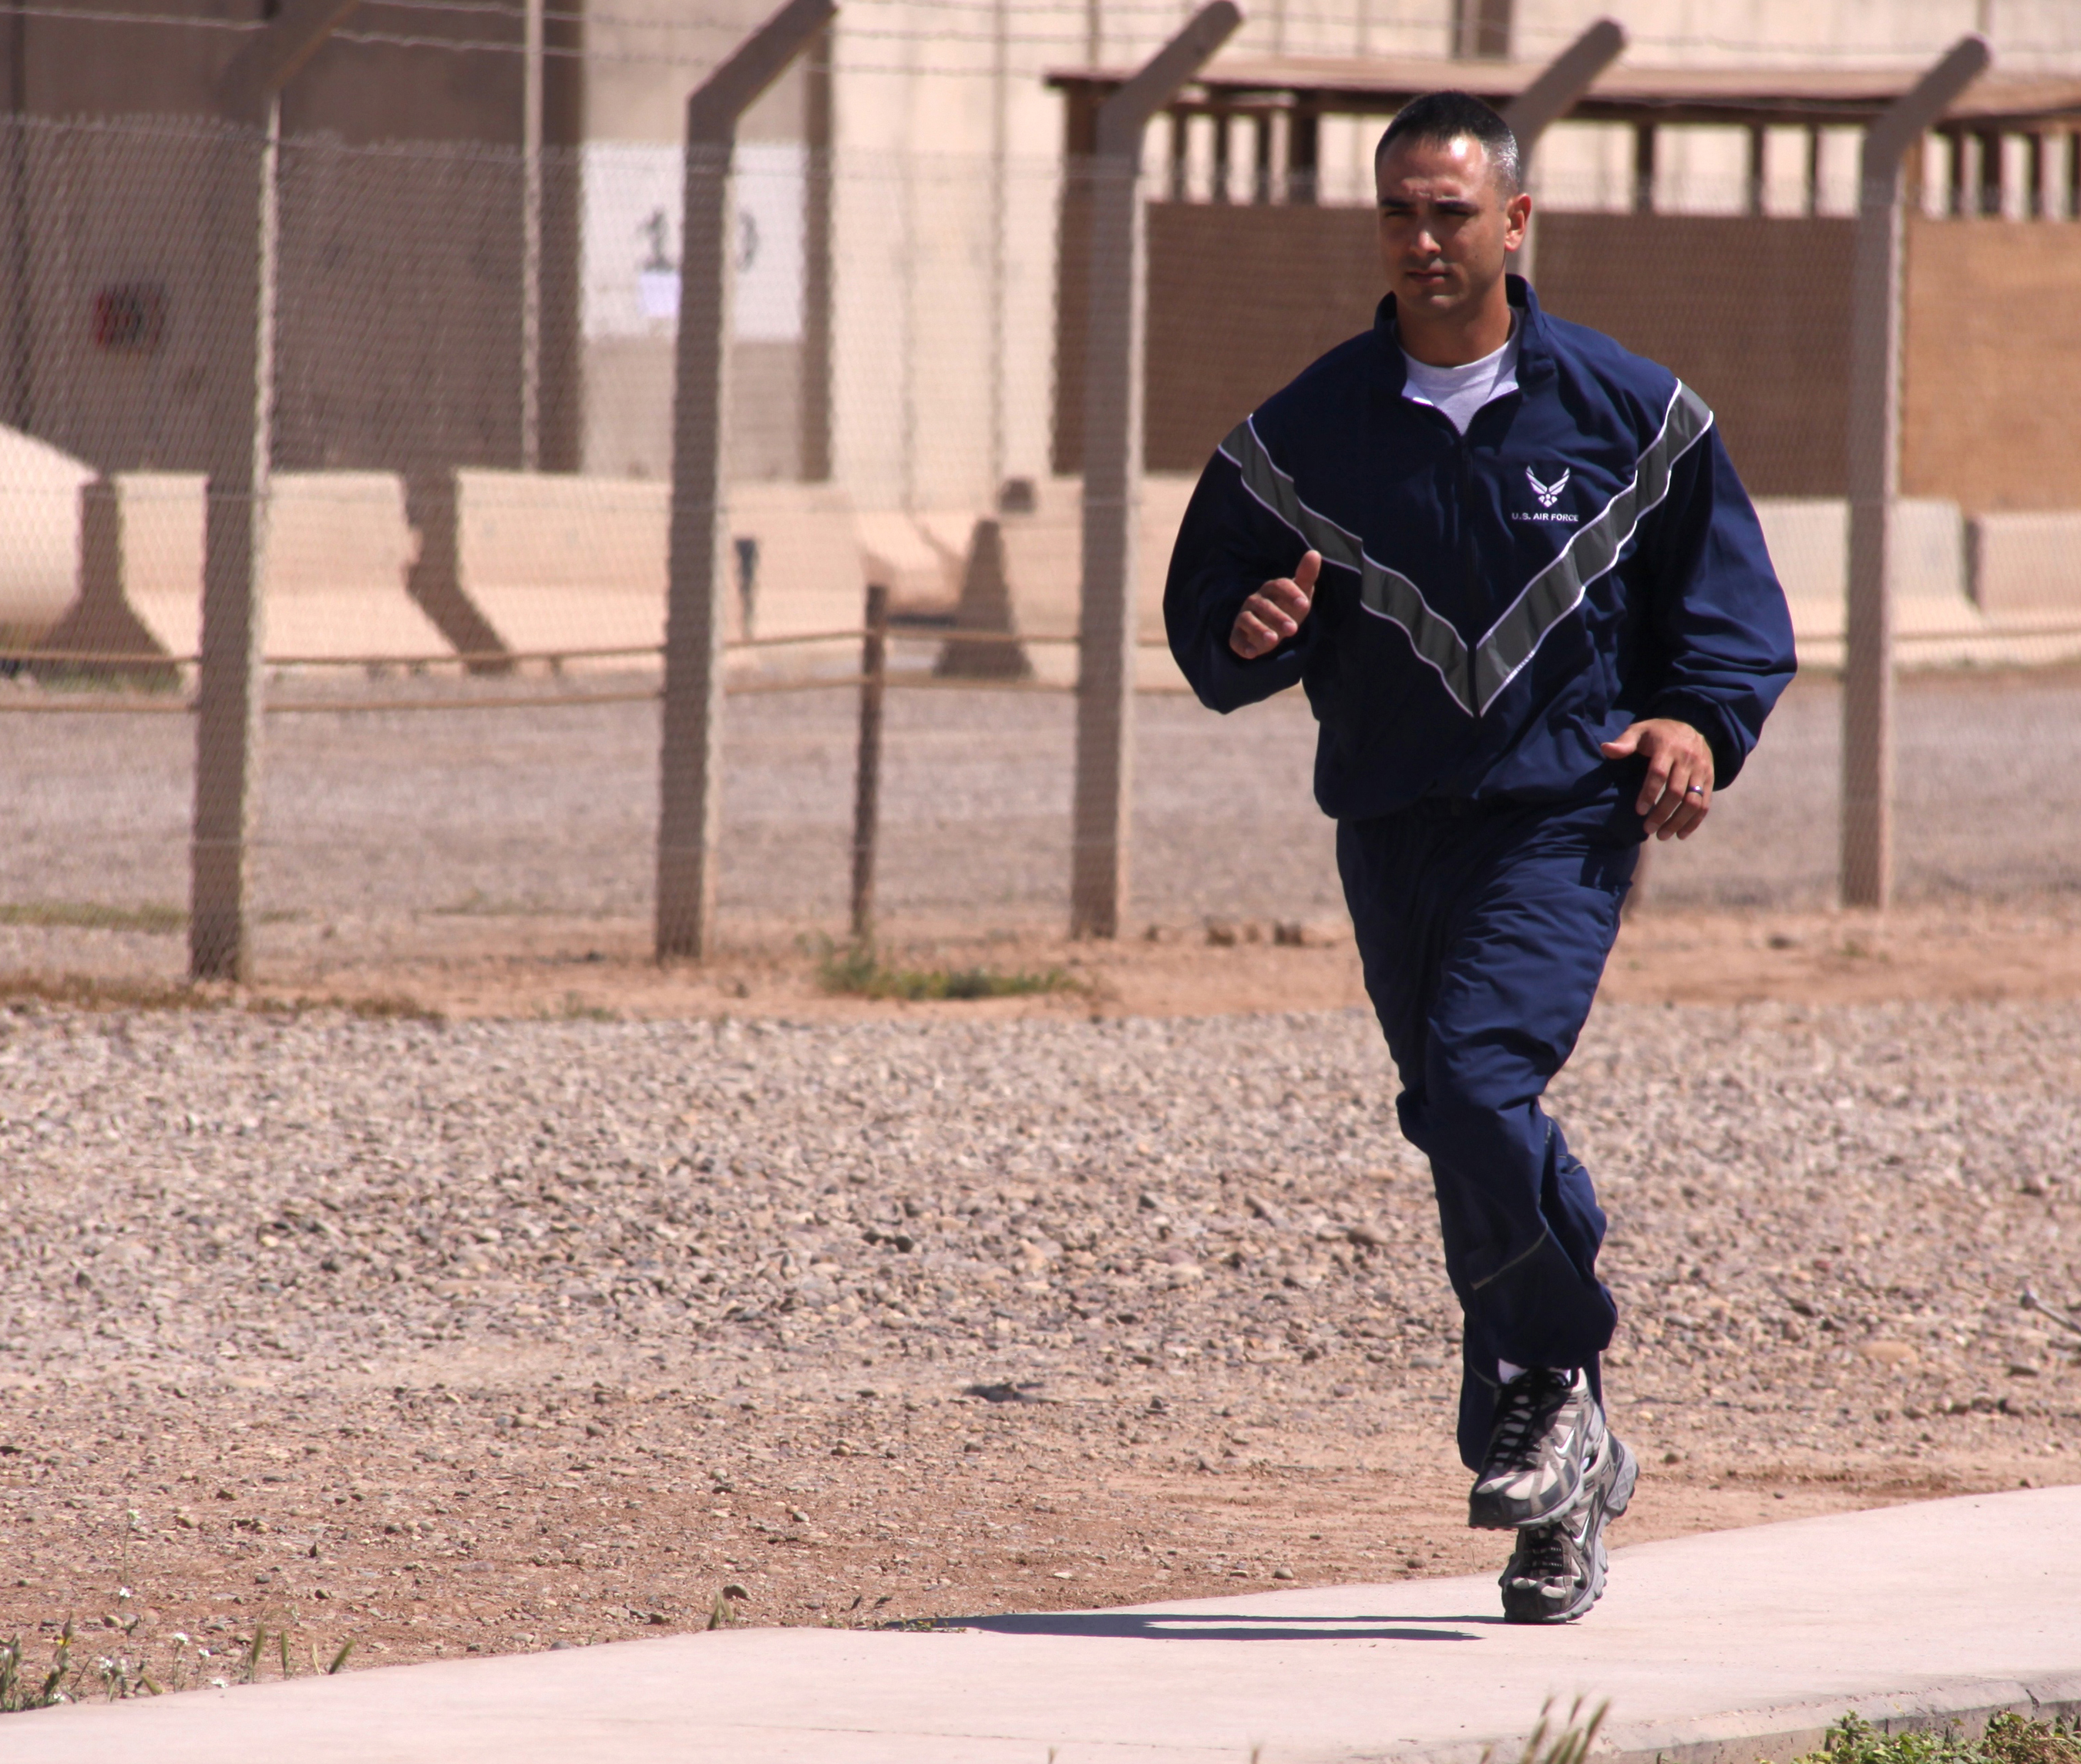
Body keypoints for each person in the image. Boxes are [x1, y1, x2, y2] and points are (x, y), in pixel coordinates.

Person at [1164, 91, 1795, 1623]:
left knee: (1472, 1082)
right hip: (1390, 821)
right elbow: (1212, 620)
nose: (1425, 238)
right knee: (1457, 1114)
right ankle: (1558, 1482)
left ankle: (1556, 1363)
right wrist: (1249, 637)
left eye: (1453, 211)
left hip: (1564, 810)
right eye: (1401, 212)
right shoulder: (1308, 432)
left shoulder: (1633, 414)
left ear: (1516, 223)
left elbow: (1730, 621)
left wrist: (1696, 726)